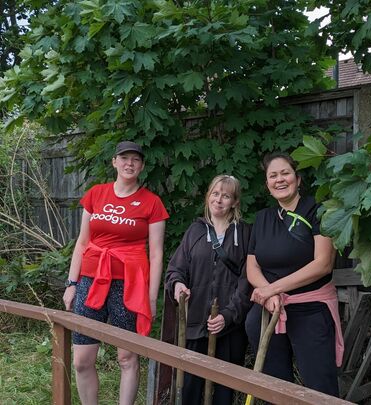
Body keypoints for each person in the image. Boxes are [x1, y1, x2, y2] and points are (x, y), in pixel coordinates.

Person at [62, 141, 169, 405]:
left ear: (142, 166)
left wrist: (151, 297)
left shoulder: (152, 203)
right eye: (124, 158)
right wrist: (71, 283)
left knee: (127, 356)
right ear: (114, 162)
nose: (129, 163)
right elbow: (82, 242)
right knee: (81, 360)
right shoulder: (96, 194)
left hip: (129, 286)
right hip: (90, 280)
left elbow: (156, 255)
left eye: (135, 159)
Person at [245, 152, 344, 397]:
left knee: (319, 387)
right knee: (275, 386)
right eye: (273, 176)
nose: (280, 179)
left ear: (298, 179)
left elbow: (323, 264)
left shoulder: (318, 210)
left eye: (285, 173)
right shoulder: (262, 219)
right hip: (269, 310)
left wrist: (272, 289)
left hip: (311, 309)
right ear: (267, 185)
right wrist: (268, 294)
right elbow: (252, 267)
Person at [165, 174, 252, 405]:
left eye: (226, 195)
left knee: (224, 392)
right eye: (215, 193)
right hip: (195, 324)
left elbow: (247, 281)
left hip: (229, 329)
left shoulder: (244, 234)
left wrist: (228, 315)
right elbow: (175, 269)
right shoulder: (195, 231)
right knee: (190, 389)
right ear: (207, 197)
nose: (219, 199)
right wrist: (178, 285)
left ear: (234, 201)